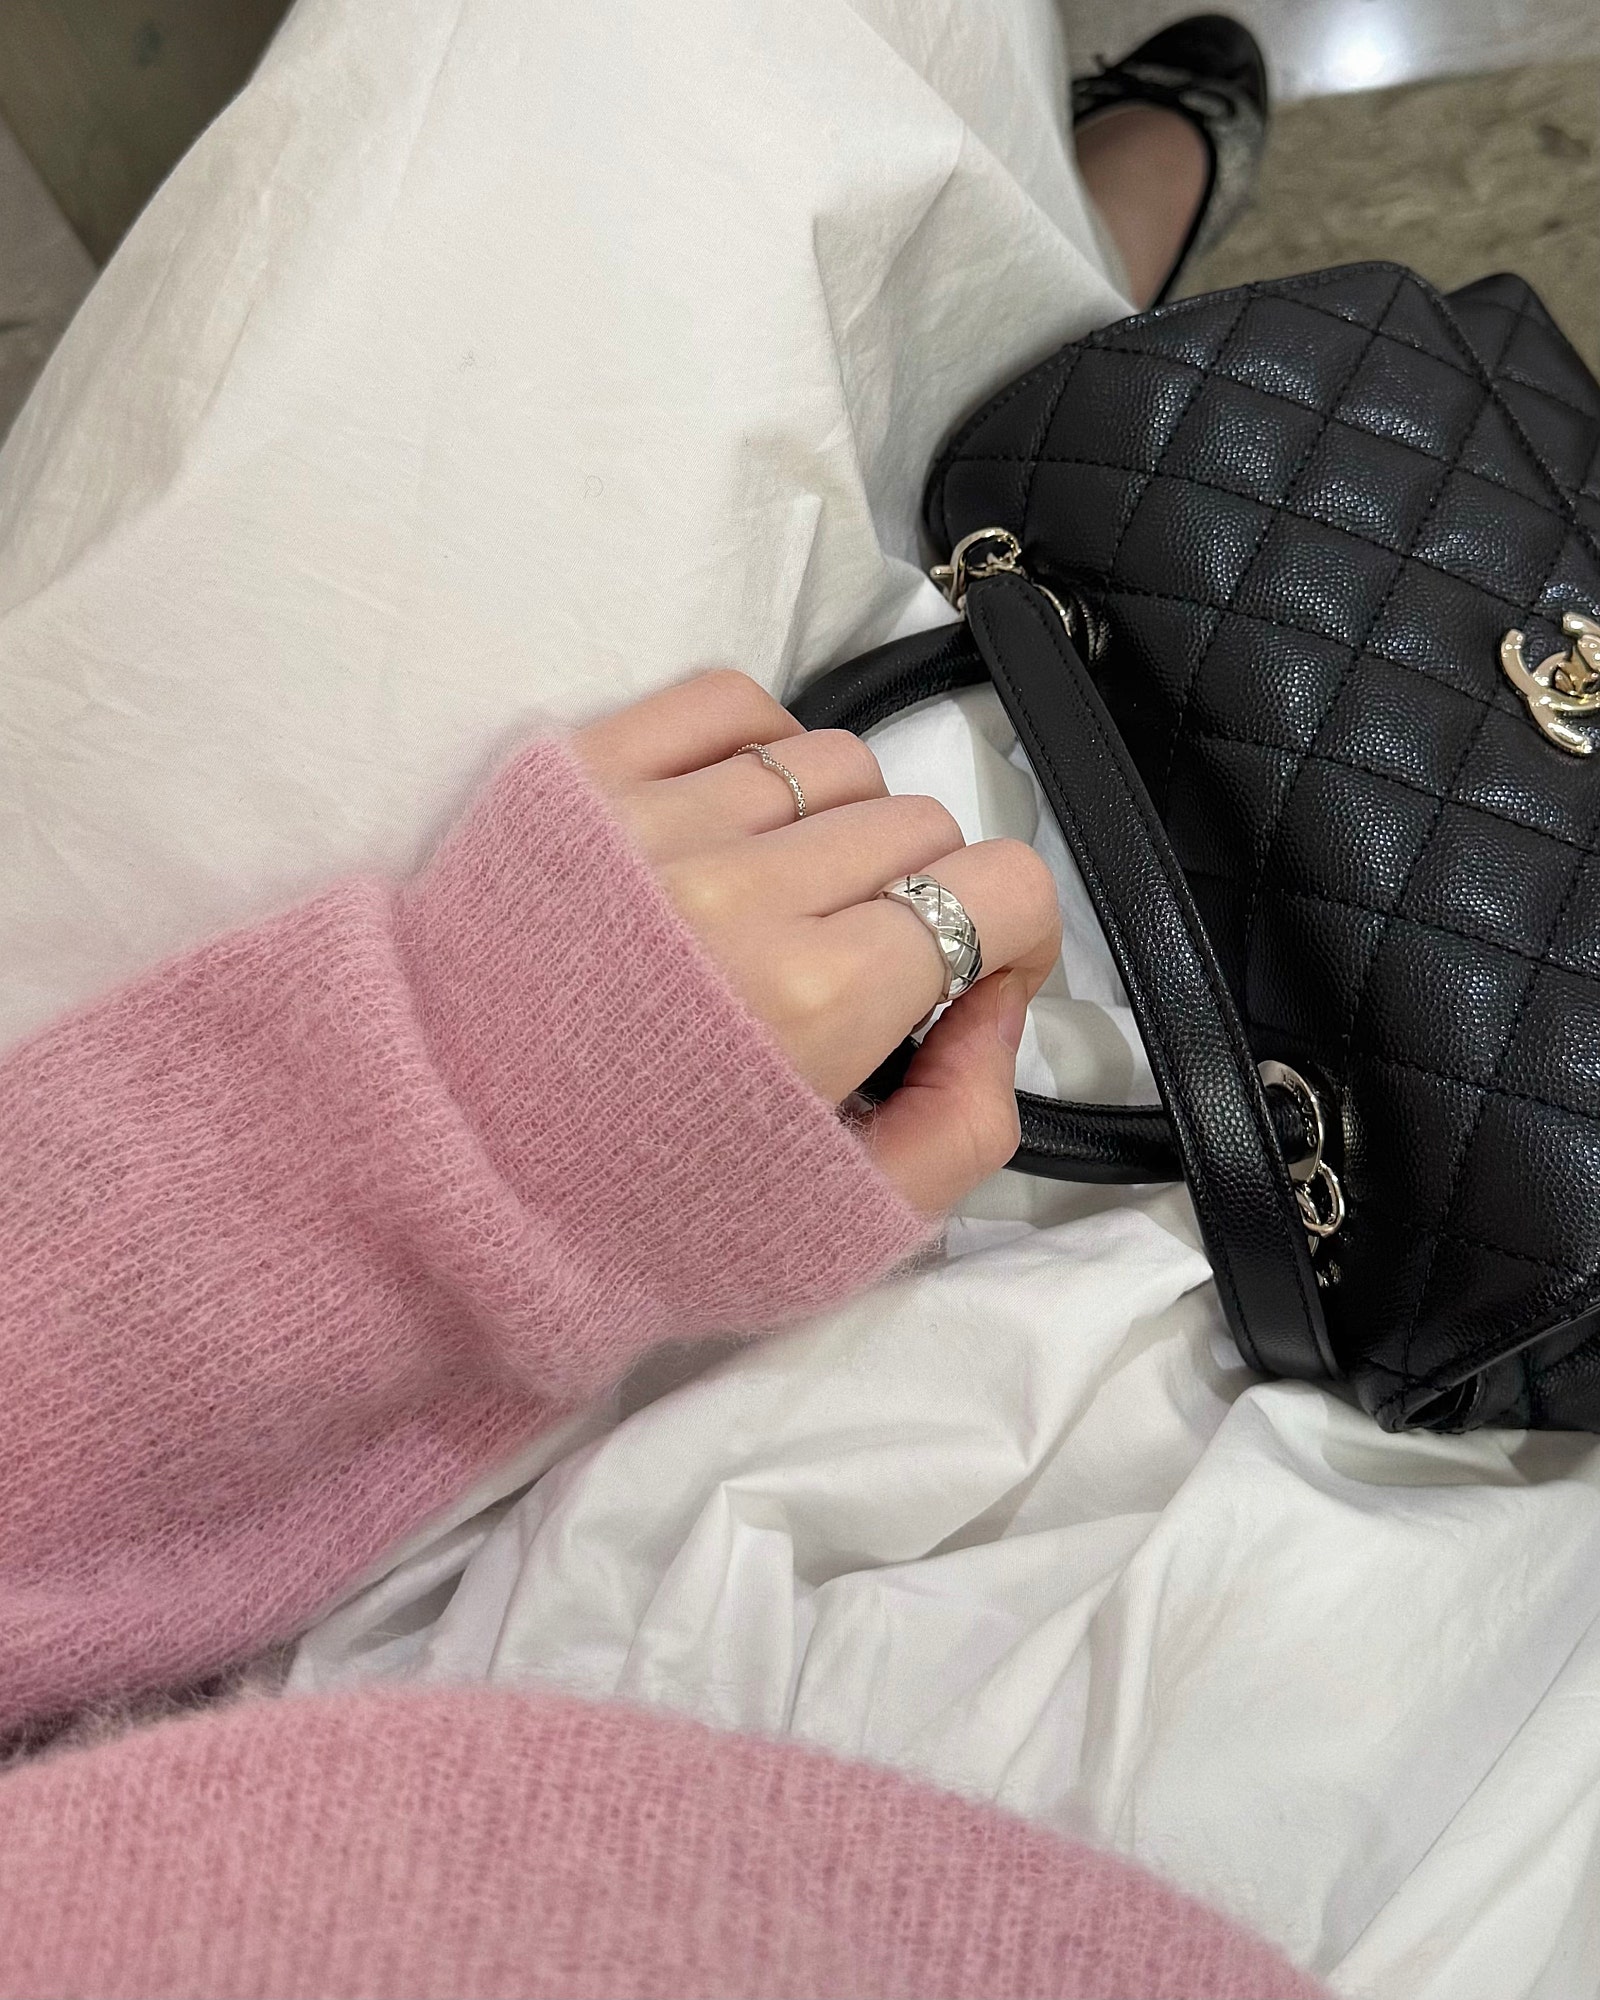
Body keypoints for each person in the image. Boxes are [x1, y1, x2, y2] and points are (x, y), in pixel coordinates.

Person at [0, 13, 1319, 1998]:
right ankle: (1074, 313)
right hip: (1142, 1727)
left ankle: (1067, 311)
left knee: (636, 70)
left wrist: (445, 1149)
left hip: (154, 1438)